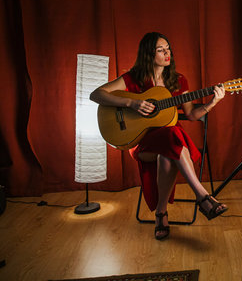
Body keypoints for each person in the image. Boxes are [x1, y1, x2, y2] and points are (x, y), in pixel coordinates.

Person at [90, 31, 228, 240]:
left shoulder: (178, 81)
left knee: (169, 147)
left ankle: (161, 214)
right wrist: (131, 103)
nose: (167, 53)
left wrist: (212, 103)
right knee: (174, 135)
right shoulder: (133, 78)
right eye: (161, 50)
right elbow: (96, 94)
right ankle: (203, 197)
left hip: (168, 145)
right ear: (148, 54)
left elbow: (191, 114)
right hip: (141, 143)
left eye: (168, 48)